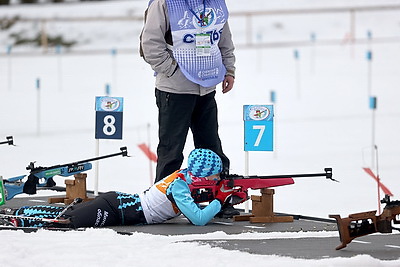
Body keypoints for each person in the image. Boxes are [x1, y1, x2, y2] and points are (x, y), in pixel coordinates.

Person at [1, 149, 237, 228]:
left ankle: (18, 214)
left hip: (121, 204)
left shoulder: (185, 177)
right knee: (66, 223)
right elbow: (197, 219)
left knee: (69, 216)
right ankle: (18, 220)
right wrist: (221, 201)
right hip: (118, 209)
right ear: (203, 173)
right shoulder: (181, 186)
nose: (216, 178)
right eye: (215, 175)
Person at [139, 0, 236, 186]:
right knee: (171, 151)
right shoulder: (163, 3)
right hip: (174, 90)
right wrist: (172, 70)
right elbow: (150, 43)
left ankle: (219, 195)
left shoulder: (215, 3)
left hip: (207, 88)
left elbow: (224, 39)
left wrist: (229, 70)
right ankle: (163, 200)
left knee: (212, 148)